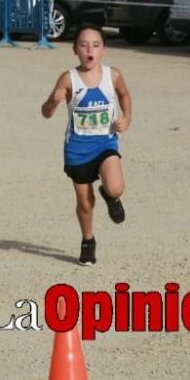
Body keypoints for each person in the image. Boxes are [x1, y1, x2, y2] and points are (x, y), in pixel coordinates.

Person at [41, 25, 132, 266]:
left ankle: (111, 197)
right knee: (84, 201)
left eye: (95, 45)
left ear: (104, 49)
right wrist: (53, 101)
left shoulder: (113, 75)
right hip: (77, 150)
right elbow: (46, 113)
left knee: (115, 187)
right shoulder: (67, 78)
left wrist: (126, 118)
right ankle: (88, 240)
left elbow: (124, 95)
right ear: (75, 50)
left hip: (105, 143)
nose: (89, 50)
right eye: (83, 45)